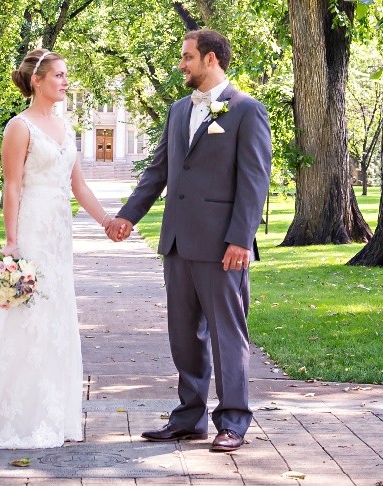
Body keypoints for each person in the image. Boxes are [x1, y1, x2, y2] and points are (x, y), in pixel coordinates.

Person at [0, 48, 120, 449]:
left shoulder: (65, 127)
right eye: (59, 76)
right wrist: (12, 243)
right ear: (37, 80)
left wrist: (105, 221)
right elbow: (13, 186)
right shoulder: (19, 127)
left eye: (67, 76)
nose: (66, 82)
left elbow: (78, 186)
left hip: (60, 232)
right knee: (25, 315)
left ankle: (51, 411)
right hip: (32, 227)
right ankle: (7, 414)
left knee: (57, 312)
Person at [106, 29, 272, 454]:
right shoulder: (179, 110)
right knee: (184, 336)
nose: (181, 64)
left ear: (210, 59)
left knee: (227, 336)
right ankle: (189, 418)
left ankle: (233, 421)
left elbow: (254, 182)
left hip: (223, 248)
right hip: (177, 243)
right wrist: (127, 216)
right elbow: (157, 172)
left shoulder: (246, 110)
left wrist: (240, 238)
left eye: (187, 57)